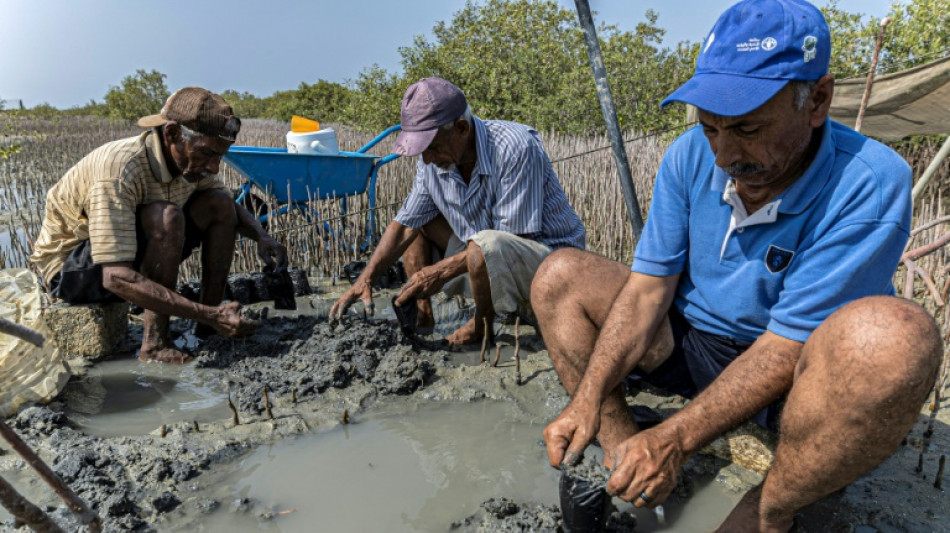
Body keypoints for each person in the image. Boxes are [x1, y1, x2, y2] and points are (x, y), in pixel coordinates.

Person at [531, 1, 942, 531]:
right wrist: (586, 400)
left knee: (895, 338)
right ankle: (624, 454)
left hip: (794, 374)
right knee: (558, 276)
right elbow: (647, 293)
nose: (723, 154)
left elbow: (785, 345)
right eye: (711, 129)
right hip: (695, 344)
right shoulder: (688, 156)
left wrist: (676, 436)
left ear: (817, 100)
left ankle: (774, 509)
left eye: (747, 130)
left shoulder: (868, 181)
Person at [31, 87, 287, 364]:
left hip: (129, 252)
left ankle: (208, 327)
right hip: (72, 270)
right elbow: (115, 276)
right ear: (172, 134)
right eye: (207, 154)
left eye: (219, 157)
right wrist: (203, 311)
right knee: (166, 217)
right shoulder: (120, 170)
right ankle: (155, 343)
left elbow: (226, 204)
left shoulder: (190, 161)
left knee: (219, 204)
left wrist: (262, 237)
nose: (214, 167)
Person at [330, 78, 585, 345]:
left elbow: (503, 244)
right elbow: (406, 224)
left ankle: (481, 326)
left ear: (461, 128)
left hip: (549, 269)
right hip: (484, 260)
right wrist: (365, 279)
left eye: (432, 147)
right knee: (420, 224)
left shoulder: (515, 147)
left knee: (484, 246)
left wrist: (437, 272)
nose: (426, 159)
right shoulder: (433, 161)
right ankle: (422, 315)